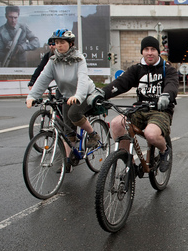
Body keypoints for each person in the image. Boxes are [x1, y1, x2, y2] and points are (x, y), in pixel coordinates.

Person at [92, 36, 179, 172]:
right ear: (142, 51)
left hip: (160, 111)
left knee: (151, 134)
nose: (149, 52)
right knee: (116, 124)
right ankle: (129, 162)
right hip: (140, 108)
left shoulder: (167, 69)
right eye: (146, 49)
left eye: (153, 49)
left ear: (158, 52)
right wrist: (102, 93)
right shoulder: (136, 69)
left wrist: (166, 95)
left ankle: (164, 150)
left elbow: (172, 84)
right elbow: (121, 83)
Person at [26, 29, 100, 151]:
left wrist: (78, 96)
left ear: (70, 44)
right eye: (56, 42)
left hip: (85, 93)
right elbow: (43, 78)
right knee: (68, 130)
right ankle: (68, 160)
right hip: (67, 96)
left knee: (74, 114)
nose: (58, 45)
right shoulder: (53, 61)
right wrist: (32, 96)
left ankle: (93, 135)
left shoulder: (79, 59)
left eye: (62, 42)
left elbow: (82, 79)